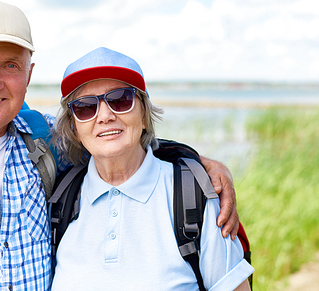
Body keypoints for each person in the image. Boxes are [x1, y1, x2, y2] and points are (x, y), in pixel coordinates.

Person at [0, 0, 240, 290]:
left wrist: (194, 162)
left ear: (30, 73)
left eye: (11, 65)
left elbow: (114, 137)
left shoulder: (46, 141)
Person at [51, 47, 254, 290]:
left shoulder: (193, 196)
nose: (104, 116)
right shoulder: (60, 199)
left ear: (145, 115)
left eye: (120, 99)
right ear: (74, 127)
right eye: (85, 106)